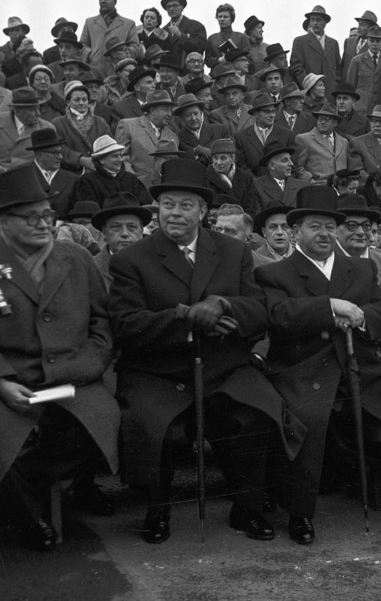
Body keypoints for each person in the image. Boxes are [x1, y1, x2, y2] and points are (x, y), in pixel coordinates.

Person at [108, 158, 305, 544]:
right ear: (158, 209)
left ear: (203, 211)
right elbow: (126, 325)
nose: (175, 213)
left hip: (224, 365)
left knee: (258, 414)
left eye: (185, 205)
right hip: (158, 371)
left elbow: (259, 312)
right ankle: (157, 510)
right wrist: (188, 317)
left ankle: (246, 508)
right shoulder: (133, 259)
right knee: (155, 428)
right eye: (168, 205)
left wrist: (224, 305)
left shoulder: (233, 252)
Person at [254, 185, 381, 544]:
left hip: (361, 366)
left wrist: (360, 316)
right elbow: (277, 315)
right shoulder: (276, 274)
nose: (322, 234)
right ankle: (300, 511)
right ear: (295, 232)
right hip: (304, 370)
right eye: (313, 226)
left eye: (328, 227)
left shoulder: (362, 268)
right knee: (303, 423)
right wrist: (329, 308)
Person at [0, 165, 120, 551]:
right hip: (12, 381)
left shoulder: (76, 258)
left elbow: (103, 323)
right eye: (30, 217)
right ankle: (29, 519)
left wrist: (90, 364)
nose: (43, 224)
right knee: (5, 443)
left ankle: (47, 490)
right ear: (4, 221)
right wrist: (1, 383)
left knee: (101, 428)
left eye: (48, 215)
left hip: (75, 379)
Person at [114, 89, 179, 187]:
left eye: (170, 110)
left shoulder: (173, 136)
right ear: (152, 110)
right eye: (165, 110)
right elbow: (121, 157)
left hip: (163, 191)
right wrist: (133, 182)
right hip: (134, 188)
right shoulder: (128, 125)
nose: (169, 114)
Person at [91, 191, 151, 291]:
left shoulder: (159, 264)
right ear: (104, 233)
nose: (125, 233)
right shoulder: (90, 269)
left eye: (131, 227)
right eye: (116, 227)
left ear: (141, 231)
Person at [73, 135, 151, 208]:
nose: (120, 159)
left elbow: (144, 204)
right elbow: (90, 209)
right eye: (115, 156)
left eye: (120, 155)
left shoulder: (131, 179)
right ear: (101, 160)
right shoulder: (87, 181)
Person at [51, 81, 110, 169]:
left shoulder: (100, 122)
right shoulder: (58, 123)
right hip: (72, 171)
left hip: (99, 169)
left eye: (84, 99)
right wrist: (80, 160)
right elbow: (59, 148)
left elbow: (109, 145)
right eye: (77, 100)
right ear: (68, 102)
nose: (81, 103)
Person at [234, 93, 294, 176]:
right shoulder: (241, 137)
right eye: (267, 112)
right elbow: (242, 166)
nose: (272, 115)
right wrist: (255, 183)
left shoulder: (287, 134)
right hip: (253, 184)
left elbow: (294, 165)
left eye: (273, 111)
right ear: (256, 114)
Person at [289, 5, 340, 101]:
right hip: (309, 95)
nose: (315, 23)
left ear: (325, 23)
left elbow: (338, 68)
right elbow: (296, 67)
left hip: (329, 94)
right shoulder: (300, 41)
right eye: (312, 20)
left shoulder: (333, 43)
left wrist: (335, 84)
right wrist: (310, 85)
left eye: (318, 20)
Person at [25, 128, 78, 217]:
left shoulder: (73, 179)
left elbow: (75, 213)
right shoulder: (24, 176)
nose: (60, 157)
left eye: (60, 152)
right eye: (55, 153)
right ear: (40, 155)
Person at [0, 87, 56, 171]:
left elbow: (51, 161)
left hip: (32, 177)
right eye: (33, 110)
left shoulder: (47, 128)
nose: (38, 114)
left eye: (38, 108)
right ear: (17, 111)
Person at [80, 0, 138, 68]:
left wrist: (123, 57)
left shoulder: (128, 24)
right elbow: (82, 45)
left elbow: (135, 46)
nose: (102, 1)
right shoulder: (90, 22)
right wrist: (90, 54)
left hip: (118, 69)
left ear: (115, 1)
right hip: (95, 69)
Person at [204, 138, 259, 218]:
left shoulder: (246, 177)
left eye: (223, 158)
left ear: (232, 159)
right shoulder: (206, 176)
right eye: (215, 158)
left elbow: (252, 205)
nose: (218, 162)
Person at [293, 103, 348, 183]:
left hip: (341, 187)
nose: (322, 122)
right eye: (320, 119)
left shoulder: (344, 142)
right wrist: (310, 180)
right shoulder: (304, 139)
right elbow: (298, 166)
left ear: (335, 123)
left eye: (327, 119)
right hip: (318, 186)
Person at [173, 93, 229, 166]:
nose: (193, 118)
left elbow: (232, 155)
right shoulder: (178, 138)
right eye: (188, 115)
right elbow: (181, 161)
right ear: (181, 118)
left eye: (196, 113)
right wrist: (195, 151)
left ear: (201, 113)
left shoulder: (220, 130)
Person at [347, 25, 381, 116]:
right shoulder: (357, 61)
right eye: (372, 40)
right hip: (360, 110)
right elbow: (350, 87)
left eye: (378, 41)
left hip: (380, 110)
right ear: (367, 41)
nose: (375, 44)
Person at [159, 0, 207, 66]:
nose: (171, 9)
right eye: (168, 6)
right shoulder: (164, 30)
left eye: (175, 5)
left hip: (189, 72)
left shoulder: (196, 26)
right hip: (170, 72)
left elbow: (200, 47)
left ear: (182, 7)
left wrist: (181, 36)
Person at [253, 142, 307, 208]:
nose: (291, 164)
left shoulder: (302, 186)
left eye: (290, 159)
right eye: (285, 160)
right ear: (272, 166)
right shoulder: (255, 186)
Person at [205, 3, 250, 70]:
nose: (222, 19)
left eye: (225, 17)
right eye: (219, 17)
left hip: (237, 74)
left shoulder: (242, 38)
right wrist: (219, 60)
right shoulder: (212, 39)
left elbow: (248, 58)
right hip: (217, 75)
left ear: (232, 19)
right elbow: (207, 61)